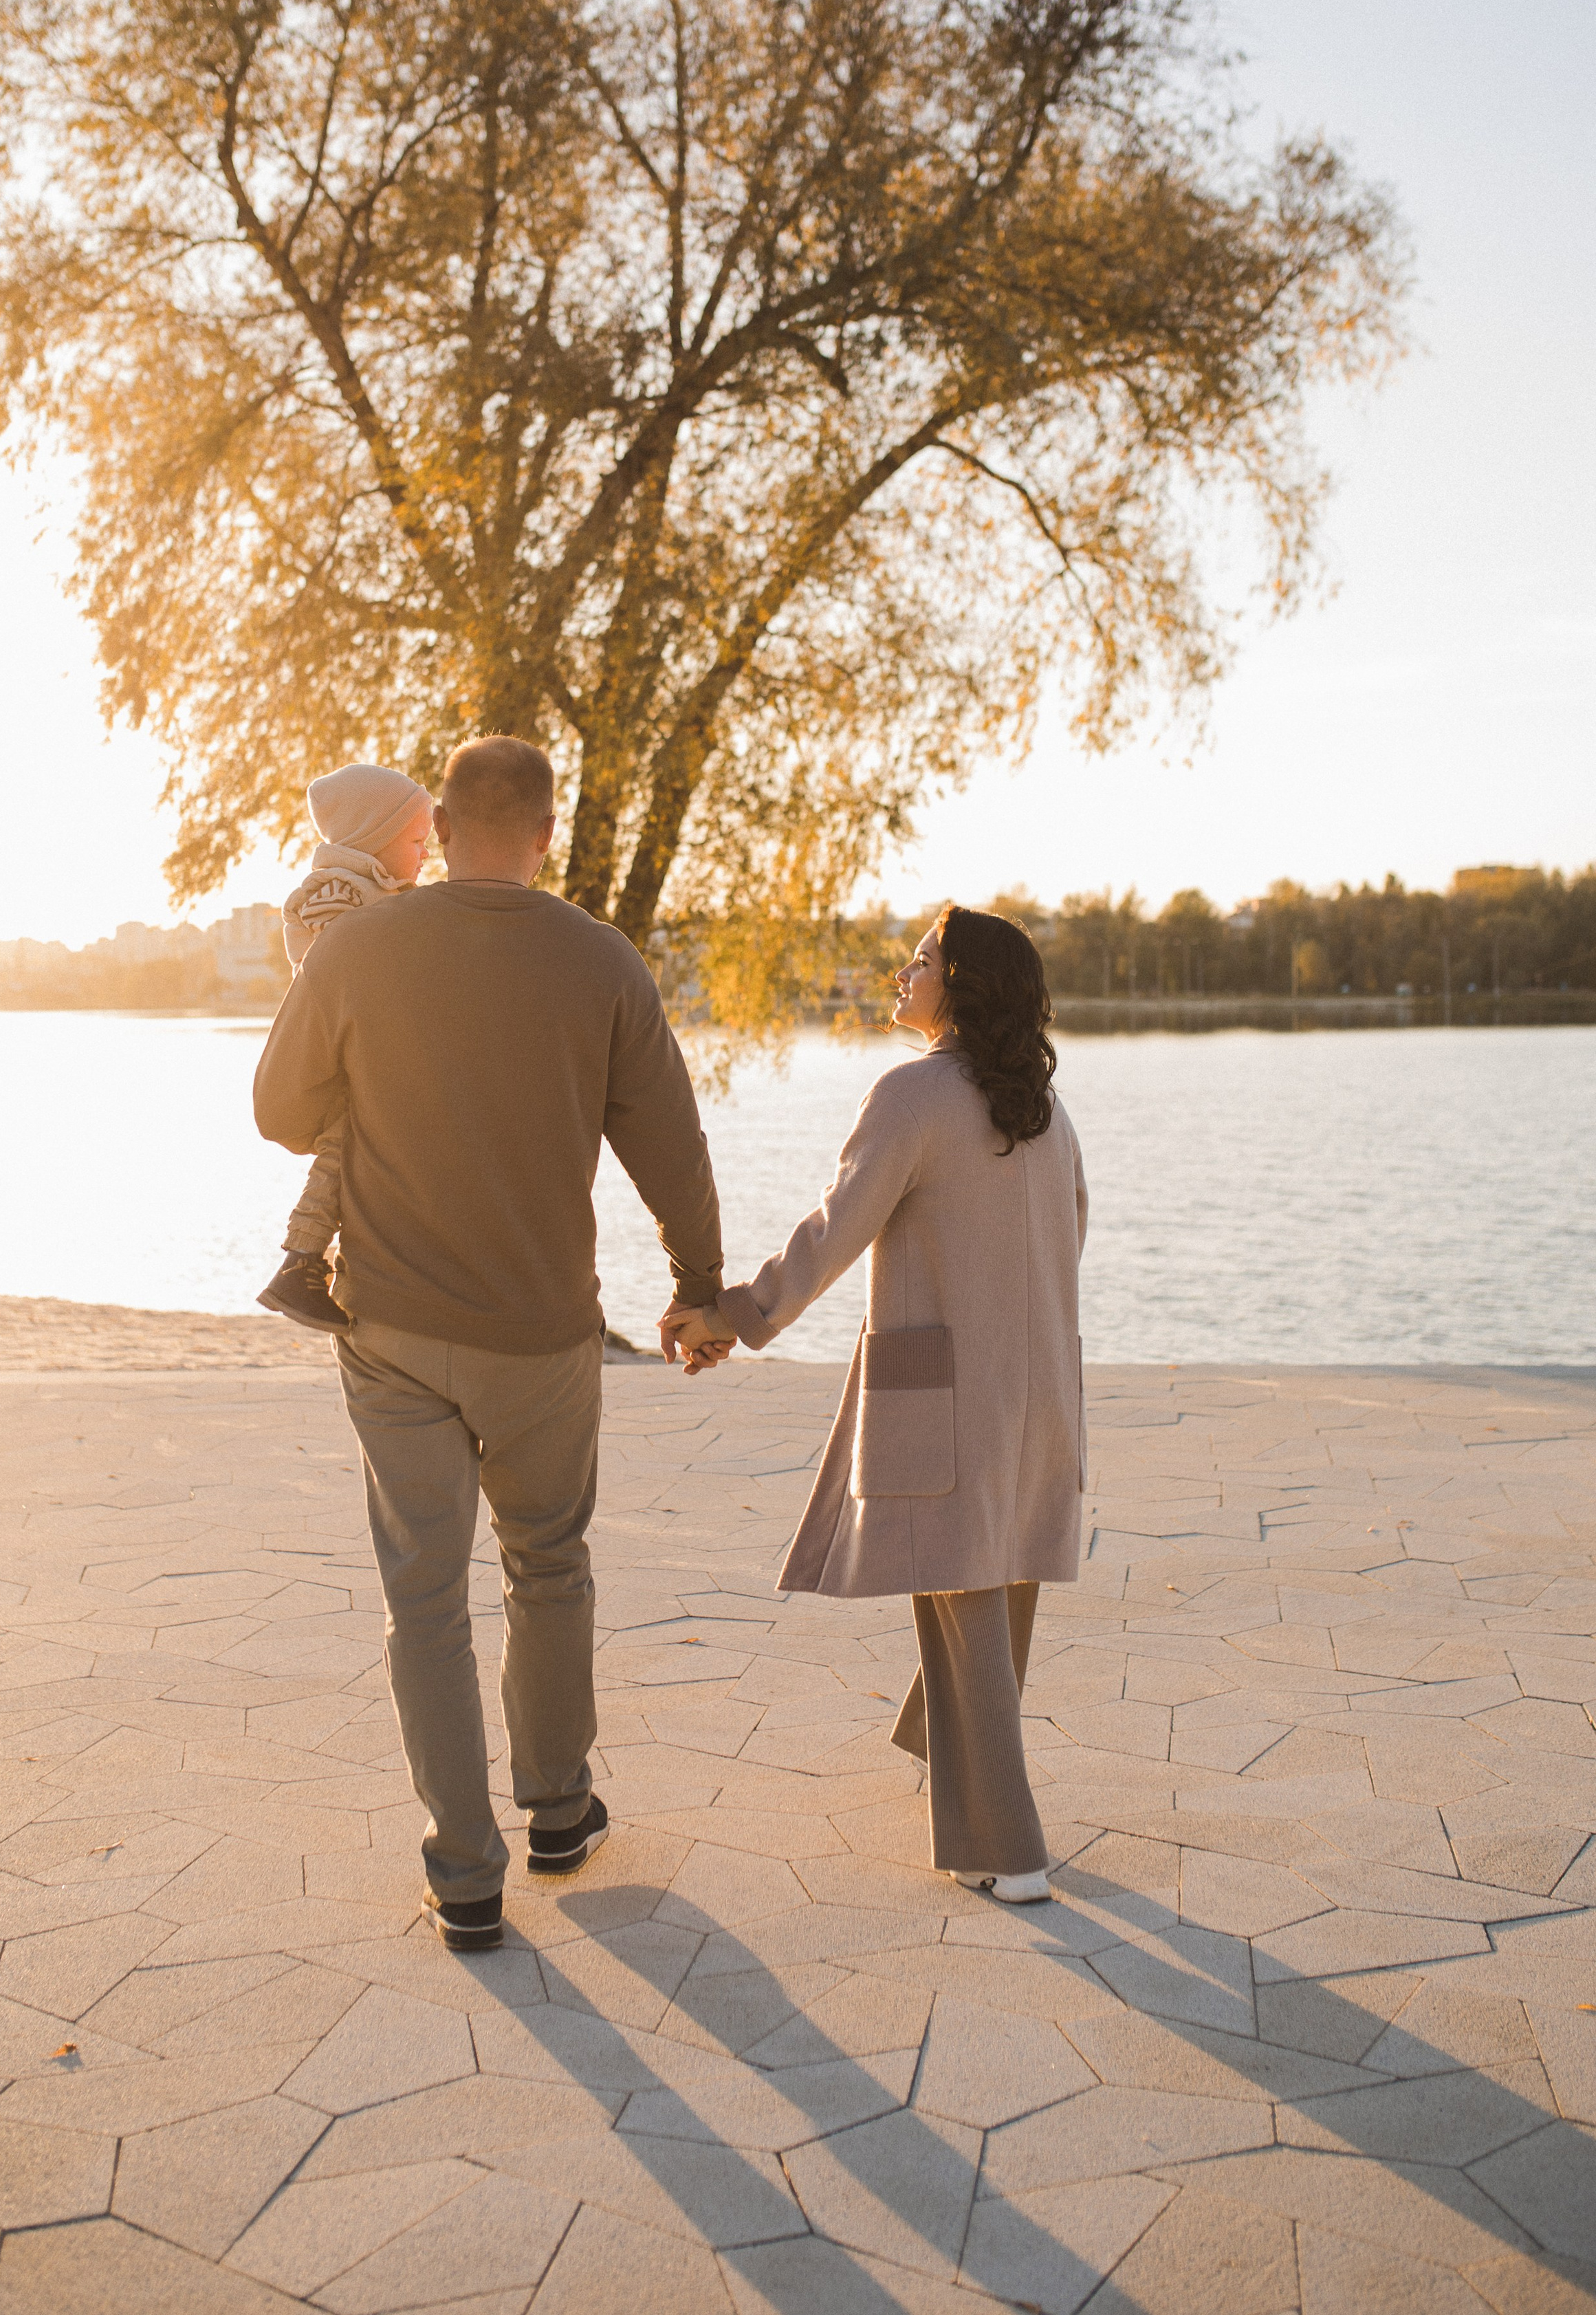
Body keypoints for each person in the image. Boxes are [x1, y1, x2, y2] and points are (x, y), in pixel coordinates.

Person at [254, 736, 723, 1951]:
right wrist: (701, 1284)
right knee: (549, 1566)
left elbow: (279, 1111)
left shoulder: (358, 946)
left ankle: (465, 1873)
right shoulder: (602, 962)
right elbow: (670, 1145)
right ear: (548, 837)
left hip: (395, 1328)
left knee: (425, 1602)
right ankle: (559, 1815)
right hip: (542, 1335)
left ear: (445, 828)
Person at [663, 907, 1087, 1904]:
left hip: (947, 1386)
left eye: (925, 960)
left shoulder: (914, 1094)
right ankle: (942, 1744)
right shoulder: (1044, 1107)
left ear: (966, 984)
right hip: (1041, 1387)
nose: (904, 972)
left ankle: (1007, 1846)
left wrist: (734, 1314)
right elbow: (1076, 1231)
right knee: (999, 1566)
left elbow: (833, 1230)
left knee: (961, 1584)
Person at [257, 763, 435, 1334]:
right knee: (342, 1146)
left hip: (363, 1045)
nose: (426, 854)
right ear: (372, 837)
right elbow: (341, 966)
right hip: (341, 1052)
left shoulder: (377, 889)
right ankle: (300, 1262)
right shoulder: (336, 893)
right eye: (415, 842)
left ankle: (313, 1260)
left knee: (354, 1147)